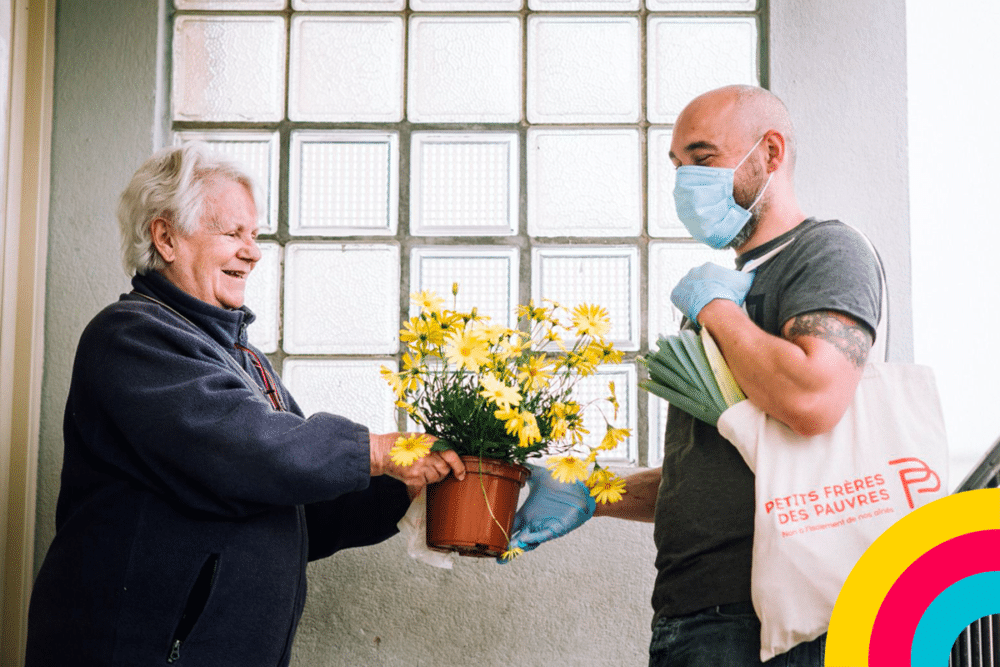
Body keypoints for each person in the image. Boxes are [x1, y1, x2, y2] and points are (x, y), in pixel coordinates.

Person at [25, 143, 466, 667]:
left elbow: (301, 506)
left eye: (253, 236)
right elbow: (243, 448)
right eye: (232, 233)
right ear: (165, 237)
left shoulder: (238, 357)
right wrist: (378, 450)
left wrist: (407, 487)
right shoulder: (130, 337)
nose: (253, 252)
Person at [505, 84, 882, 666]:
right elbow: (728, 466)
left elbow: (814, 400)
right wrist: (599, 492)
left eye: (703, 160)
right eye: (678, 166)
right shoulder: (724, 291)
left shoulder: (827, 252)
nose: (686, 183)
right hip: (691, 616)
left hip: (780, 624)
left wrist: (716, 310)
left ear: (771, 153)